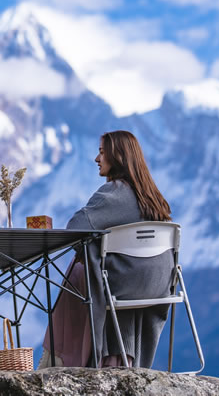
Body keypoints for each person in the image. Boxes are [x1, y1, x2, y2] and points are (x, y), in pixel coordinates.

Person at [39, 130, 174, 369]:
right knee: (93, 272)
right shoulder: (153, 196)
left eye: (102, 152)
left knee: (77, 273)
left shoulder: (114, 193)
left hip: (123, 285)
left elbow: (75, 228)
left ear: (118, 156)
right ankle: (117, 358)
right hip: (158, 286)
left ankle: (61, 361)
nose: (96, 159)